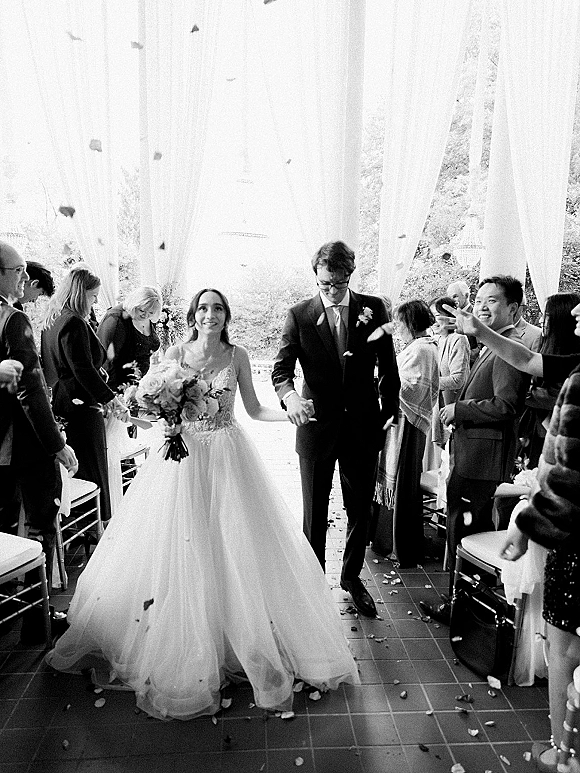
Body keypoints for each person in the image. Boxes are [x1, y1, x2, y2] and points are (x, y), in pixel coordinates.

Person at [46, 288, 359, 719]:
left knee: (234, 546)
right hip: (184, 458)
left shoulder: (239, 355)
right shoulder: (175, 352)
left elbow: (252, 409)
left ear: (226, 315)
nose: (210, 314)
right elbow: (158, 411)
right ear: (194, 315)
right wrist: (134, 412)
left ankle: (241, 637)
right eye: (204, 308)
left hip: (229, 457)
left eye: (218, 308)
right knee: (183, 547)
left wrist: (289, 413)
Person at [272, 241, 400, 618]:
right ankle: (312, 582)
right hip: (316, 427)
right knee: (314, 510)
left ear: (350, 276)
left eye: (338, 284)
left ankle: (351, 578)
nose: (330, 291)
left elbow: (388, 367)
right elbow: (281, 369)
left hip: (363, 426)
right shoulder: (298, 315)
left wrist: (386, 415)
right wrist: (290, 397)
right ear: (317, 276)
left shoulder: (373, 308)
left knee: (360, 509)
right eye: (324, 283)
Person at [419, 275, 530, 624]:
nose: (481, 306)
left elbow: (506, 405)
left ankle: (462, 610)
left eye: (492, 300)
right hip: (473, 455)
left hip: (482, 460)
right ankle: (463, 606)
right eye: (479, 299)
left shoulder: (508, 347)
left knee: (466, 533)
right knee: (461, 531)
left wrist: (459, 409)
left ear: (513, 308)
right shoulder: (492, 343)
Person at [0, 241, 78, 643]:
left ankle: (9, 609)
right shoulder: (12, 321)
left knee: (3, 527)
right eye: (17, 271)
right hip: (24, 445)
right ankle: (38, 618)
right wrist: (56, 445)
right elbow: (30, 390)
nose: (24, 278)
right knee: (41, 524)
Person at [41, 265, 127, 524]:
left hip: (62, 401)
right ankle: (95, 526)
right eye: (93, 296)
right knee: (91, 466)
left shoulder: (53, 317)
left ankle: (79, 524)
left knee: (79, 465)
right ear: (81, 294)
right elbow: (82, 369)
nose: (95, 301)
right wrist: (111, 398)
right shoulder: (74, 322)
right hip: (81, 405)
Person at [373, 300, 439, 567]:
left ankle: (400, 547)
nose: (397, 328)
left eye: (400, 322)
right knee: (396, 482)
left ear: (412, 323)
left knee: (402, 485)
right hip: (401, 421)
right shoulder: (420, 347)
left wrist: (382, 384)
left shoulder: (422, 349)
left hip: (408, 423)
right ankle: (387, 542)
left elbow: (412, 388)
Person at [517, 292, 580, 468]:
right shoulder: (545, 344)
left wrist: (528, 394)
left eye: (547, 316)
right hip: (535, 432)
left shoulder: (572, 359)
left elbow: (556, 396)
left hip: (553, 438)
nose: (541, 321)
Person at [97, 285, 162, 391]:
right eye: (142, 310)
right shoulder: (116, 320)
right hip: (117, 386)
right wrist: (114, 396)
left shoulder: (149, 318)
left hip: (137, 384)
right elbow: (107, 362)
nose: (146, 315)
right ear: (135, 304)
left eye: (151, 313)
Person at [447, 279, 479, 364]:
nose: (452, 300)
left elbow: (479, 348)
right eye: (449, 297)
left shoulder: (476, 315)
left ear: (466, 295)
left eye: (455, 296)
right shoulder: (451, 317)